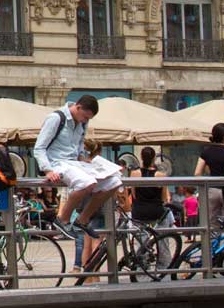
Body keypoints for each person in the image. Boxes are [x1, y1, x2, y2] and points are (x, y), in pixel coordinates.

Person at [34, 95, 119, 231]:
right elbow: (39, 147)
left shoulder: (82, 122)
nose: (86, 120)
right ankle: (62, 219)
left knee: (115, 181)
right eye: (85, 117)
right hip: (58, 163)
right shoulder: (56, 118)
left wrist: (84, 159)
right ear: (78, 107)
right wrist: (48, 170)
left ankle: (83, 219)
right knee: (86, 182)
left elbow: (79, 145)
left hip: (75, 163)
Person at [195, 122, 224, 226]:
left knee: (211, 224)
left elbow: (197, 173)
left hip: (211, 190)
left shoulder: (206, 150)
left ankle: (212, 242)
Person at [130, 147, 168, 226]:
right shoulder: (161, 175)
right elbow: (164, 197)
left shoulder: (134, 174)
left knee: (142, 237)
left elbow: (134, 195)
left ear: (141, 157)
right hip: (156, 211)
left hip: (139, 211)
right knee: (161, 235)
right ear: (154, 158)